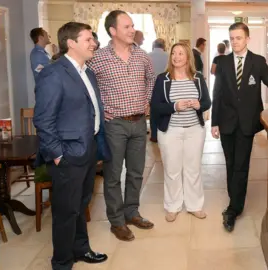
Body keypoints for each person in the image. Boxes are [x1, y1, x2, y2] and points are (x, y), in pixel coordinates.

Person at [211, 22, 268, 232]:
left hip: (246, 122)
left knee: (241, 165)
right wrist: (214, 122)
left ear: (247, 39)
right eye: (232, 38)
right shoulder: (223, 62)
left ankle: (234, 208)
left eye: (239, 38)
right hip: (226, 121)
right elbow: (217, 93)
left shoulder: (258, 62)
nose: (235, 42)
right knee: (230, 163)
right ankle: (234, 199)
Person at [33, 22, 110, 269]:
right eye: (88, 39)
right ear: (71, 43)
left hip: (88, 150)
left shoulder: (87, 72)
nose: (94, 43)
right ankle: (62, 262)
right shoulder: (54, 73)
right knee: (66, 212)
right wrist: (57, 155)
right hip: (67, 155)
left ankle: (81, 249)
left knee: (80, 205)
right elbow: (44, 120)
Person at [87, 10, 156, 242]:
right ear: (113, 31)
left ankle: (132, 212)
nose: (132, 30)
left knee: (136, 173)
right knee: (113, 175)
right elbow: (86, 86)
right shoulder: (98, 58)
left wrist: (146, 100)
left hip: (139, 124)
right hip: (114, 124)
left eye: (133, 26)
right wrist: (98, 109)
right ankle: (116, 221)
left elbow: (151, 79)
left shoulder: (143, 56)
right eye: (126, 26)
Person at [151, 42, 211, 222]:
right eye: (173, 54)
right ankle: (172, 206)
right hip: (170, 132)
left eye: (180, 54)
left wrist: (199, 105)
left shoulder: (198, 78)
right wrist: (174, 106)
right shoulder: (163, 79)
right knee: (172, 169)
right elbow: (155, 106)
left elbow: (207, 102)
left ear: (188, 58)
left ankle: (195, 205)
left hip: (195, 131)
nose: (176, 57)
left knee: (193, 169)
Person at [148, 38, 169, 143]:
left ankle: (154, 135)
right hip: (166, 87)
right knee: (165, 111)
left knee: (153, 113)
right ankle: (165, 133)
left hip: (151, 88)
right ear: (163, 45)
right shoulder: (168, 56)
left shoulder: (147, 56)